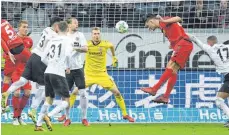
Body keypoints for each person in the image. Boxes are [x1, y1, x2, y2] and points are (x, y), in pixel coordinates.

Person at [1, 17, 62, 124]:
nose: (25, 29)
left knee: (28, 93)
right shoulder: (13, 40)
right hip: (15, 67)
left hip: (25, 67)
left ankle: (19, 116)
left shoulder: (29, 41)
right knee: (17, 92)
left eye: (27, 27)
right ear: (18, 28)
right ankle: (15, 117)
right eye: (23, 27)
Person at [84, 27, 134, 122]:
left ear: (100, 35)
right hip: (89, 75)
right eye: (94, 34)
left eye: (98, 33)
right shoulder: (87, 44)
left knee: (117, 93)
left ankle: (125, 114)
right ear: (91, 35)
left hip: (102, 75)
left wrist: (114, 57)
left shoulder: (106, 44)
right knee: (74, 92)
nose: (96, 35)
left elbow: (112, 46)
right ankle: (66, 116)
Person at [141, 15, 193, 104]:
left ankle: (154, 89)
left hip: (183, 44)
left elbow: (179, 18)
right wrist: (172, 44)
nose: (149, 29)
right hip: (182, 44)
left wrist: (165, 21)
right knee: (173, 71)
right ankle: (165, 97)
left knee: (170, 66)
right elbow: (176, 31)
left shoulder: (163, 21)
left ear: (151, 21)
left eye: (147, 26)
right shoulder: (163, 28)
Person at [35, 21, 72, 131]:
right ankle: (49, 116)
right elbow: (68, 55)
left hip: (48, 72)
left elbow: (42, 58)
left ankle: (38, 125)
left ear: (58, 29)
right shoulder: (67, 40)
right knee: (66, 100)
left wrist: (51, 64)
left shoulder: (52, 40)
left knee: (49, 100)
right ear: (67, 29)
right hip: (58, 73)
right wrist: (67, 67)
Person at [188, 34, 229, 128]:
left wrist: (181, 32)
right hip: (227, 76)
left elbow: (194, 38)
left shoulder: (210, 48)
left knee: (219, 100)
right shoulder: (227, 46)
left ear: (209, 43)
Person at [58, 17, 89, 126]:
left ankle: (84, 118)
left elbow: (86, 49)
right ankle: (67, 118)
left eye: (77, 23)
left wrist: (76, 48)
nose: (77, 24)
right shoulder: (63, 36)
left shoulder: (80, 35)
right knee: (65, 94)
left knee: (83, 93)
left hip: (78, 68)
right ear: (69, 25)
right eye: (75, 23)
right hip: (66, 69)